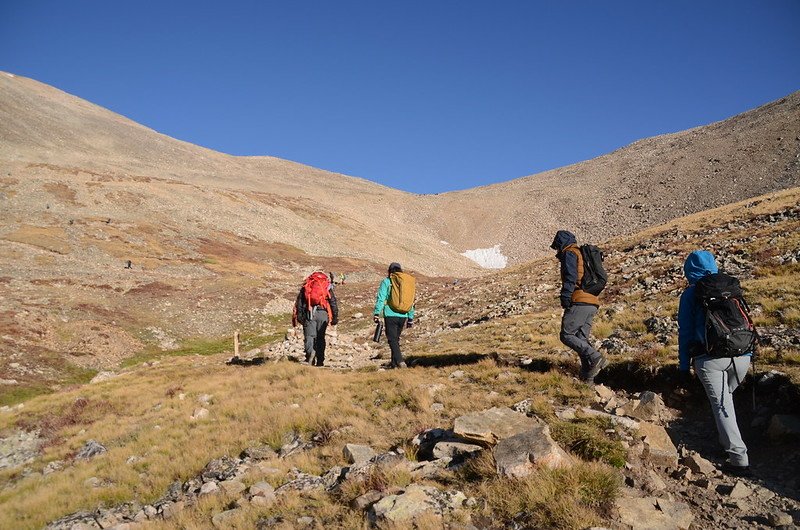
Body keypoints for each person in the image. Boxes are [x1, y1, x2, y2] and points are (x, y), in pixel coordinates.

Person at [678, 250, 751, 475]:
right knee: (725, 402)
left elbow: (686, 332)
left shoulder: (691, 294)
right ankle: (728, 445)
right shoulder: (730, 287)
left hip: (709, 359)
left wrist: (683, 366)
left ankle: (739, 459)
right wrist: (748, 355)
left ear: (689, 269)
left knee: (722, 407)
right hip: (742, 356)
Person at [551, 230, 607, 383]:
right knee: (581, 339)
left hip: (579, 300)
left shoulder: (570, 253)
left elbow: (571, 276)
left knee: (567, 335)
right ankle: (587, 378)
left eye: (556, 246)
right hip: (592, 302)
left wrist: (565, 296)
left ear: (560, 243)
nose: (556, 250)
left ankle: (596, 357)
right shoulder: (583, 253)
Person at [292, 271, 339, 367]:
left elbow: (299, 303)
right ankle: (320, 360)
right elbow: (333, 302)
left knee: (310, 337)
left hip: (310, 313)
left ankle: (311, 357)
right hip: (323, 313)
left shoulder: (307, 285)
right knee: (321, 337)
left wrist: (300, 317)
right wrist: (334, 317)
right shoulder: (326, 286)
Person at [373, 262, 415, 368]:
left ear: (389, 271)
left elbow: (381, 298)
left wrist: (377, 313)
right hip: (404, 315)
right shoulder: (404, 283)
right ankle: (394, 364)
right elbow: (410, 301)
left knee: (392, 339)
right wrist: (410, 317)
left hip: (390, 314)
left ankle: (400, 361)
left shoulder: (387, 281)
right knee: (396, 339)